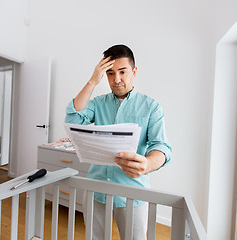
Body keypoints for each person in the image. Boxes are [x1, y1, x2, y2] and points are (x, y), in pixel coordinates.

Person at [65, 44, 172, 239]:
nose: (116, 79)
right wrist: (92, 81)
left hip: (133, 190)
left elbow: (161, 147)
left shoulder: (151, 107)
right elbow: (73, 119)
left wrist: (148, 164)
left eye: (122, 72)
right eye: (110, 73)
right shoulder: (98, 103)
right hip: (96, 187)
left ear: (134, 71)